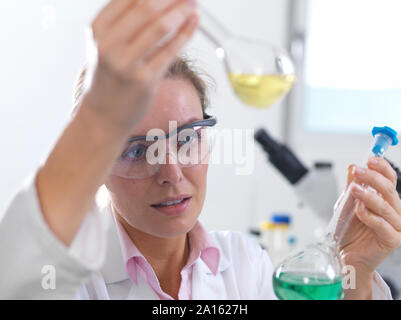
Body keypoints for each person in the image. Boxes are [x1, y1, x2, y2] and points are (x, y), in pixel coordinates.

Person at [1, 0, 400, 300]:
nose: (171, 172)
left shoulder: (246, 266)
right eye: (137, 150)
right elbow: (17, 277)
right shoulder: (74, 281)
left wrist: (353, 272)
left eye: (187, 138)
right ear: (99, 165)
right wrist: (97, 119)